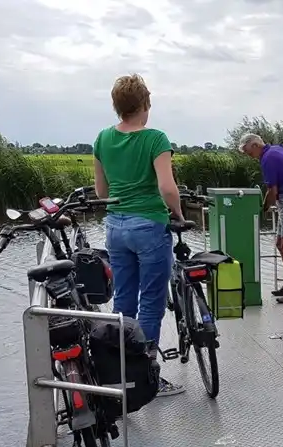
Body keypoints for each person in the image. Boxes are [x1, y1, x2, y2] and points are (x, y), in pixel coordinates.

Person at [92, 74, 185, 396]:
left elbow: (101, 191)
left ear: (117, 107)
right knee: (152, 303)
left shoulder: (102, 139)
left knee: (124, 301)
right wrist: (179, 214)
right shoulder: (155, 138)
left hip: (115, 227)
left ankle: (120, 372)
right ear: (145, 103)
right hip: (148, 226)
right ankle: (147, 377)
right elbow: (166, 187)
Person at [238, 133, 283, 304]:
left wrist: (263, 209)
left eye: (248, 152)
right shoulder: (276, 149)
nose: (249, 156)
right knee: (280, 243)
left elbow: (271, 191)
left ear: (254, 145)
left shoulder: (267, 158)